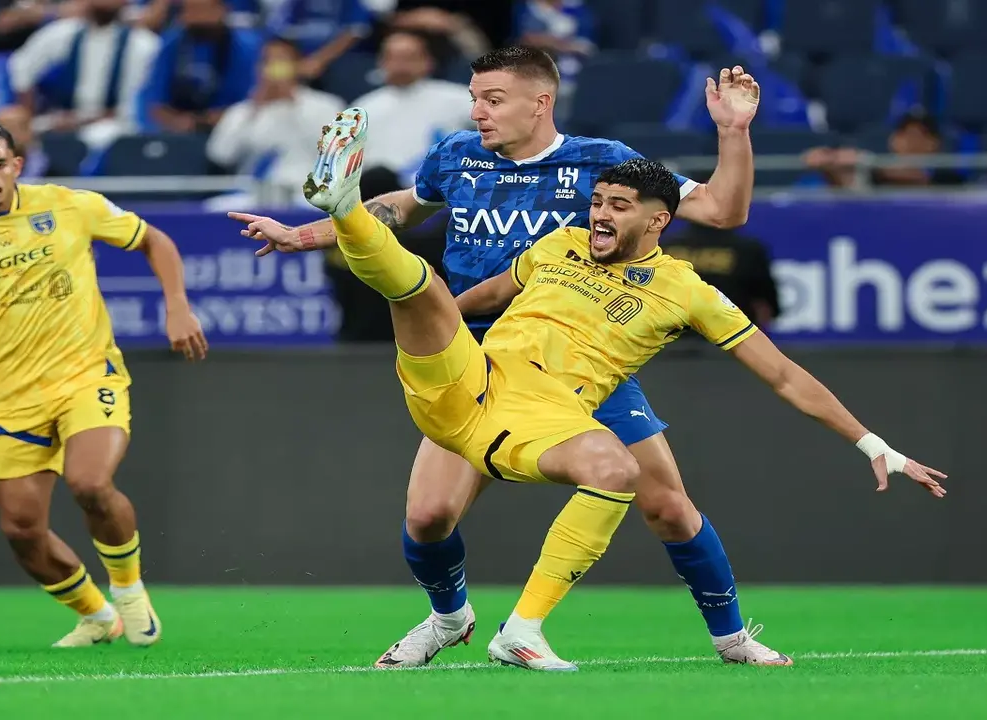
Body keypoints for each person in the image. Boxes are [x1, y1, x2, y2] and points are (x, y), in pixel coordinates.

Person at [294, 115, 946, 668]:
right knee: (427, 479)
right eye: (597, 202)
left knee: (654, 497)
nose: (599, 214)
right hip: (478, 375)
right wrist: (438, 332)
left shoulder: (688, 290)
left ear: (659, 220)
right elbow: (486, 297)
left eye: (617, 206)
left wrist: (871, 444)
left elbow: (782, 374)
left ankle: (718, 636)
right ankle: (345, 208)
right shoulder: (560, 243)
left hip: (560, 406)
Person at [229, 45, 786, 671]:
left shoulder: (602, 163)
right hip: (476, 354)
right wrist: (304, 234)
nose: (478, 112)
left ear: (540, 103)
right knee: (429, 516)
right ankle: (450, 617)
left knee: (667, 506)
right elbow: (400, 208)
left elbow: (722, 210)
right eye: (474, 99)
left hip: (573, 359)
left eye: (492, 100)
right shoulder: (457, 157)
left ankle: (732, 638)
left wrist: (732, 131)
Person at [0, 121, 208, 647]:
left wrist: (177, 306)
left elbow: (154, 240)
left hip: (88, 375)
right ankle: (96, 615)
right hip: (10, 397)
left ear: (17, 165)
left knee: (89, 483)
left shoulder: (69, 205)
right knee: (21, 529)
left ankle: (130, 594)